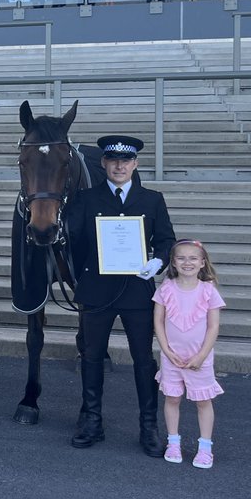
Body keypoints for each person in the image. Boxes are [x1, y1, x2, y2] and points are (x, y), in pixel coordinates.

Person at [65, 135, 176, 457]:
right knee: (91, 357)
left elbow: (166, 239)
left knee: (143, 360)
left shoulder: (152, 199)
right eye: (113, 160)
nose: (119, 166)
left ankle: (149, 426)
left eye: (125, 161)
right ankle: (91, 420)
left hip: (136, 291)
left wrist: (159, 260)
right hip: (97, 288)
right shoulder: (85, 199)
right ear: (103, 164)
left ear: (135, 165)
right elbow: (74, 241)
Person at [153, 239, 225, 469]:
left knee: (203, 401)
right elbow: (158, 321)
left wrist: (202, 355)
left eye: (193, 258)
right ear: (173, 262)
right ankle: (173, 442)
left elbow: (213, 326)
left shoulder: (208, 290)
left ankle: (205, 447)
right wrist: (166, 350)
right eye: (181, 257)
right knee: (172, 398)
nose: (187, 262)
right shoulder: (165, 288)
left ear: (203, 262)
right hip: (172, 356)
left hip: (198, 358)